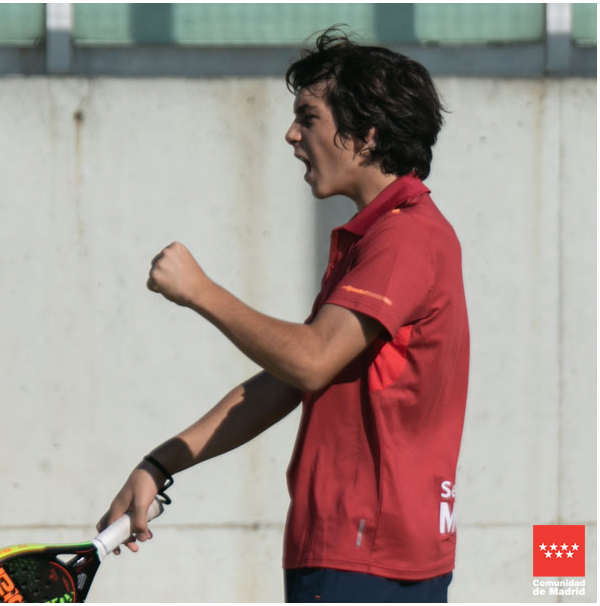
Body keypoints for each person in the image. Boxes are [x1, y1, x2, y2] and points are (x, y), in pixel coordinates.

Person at [97, 28, 469, 603]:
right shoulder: (383, 236)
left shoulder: (405, 237)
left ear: (367, 134)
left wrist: (200, 291)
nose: (292, 134)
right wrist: (160, 464)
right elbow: (290, 376)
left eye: (308, 118)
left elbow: (310, 360)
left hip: (366, 555)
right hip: (354, 551)